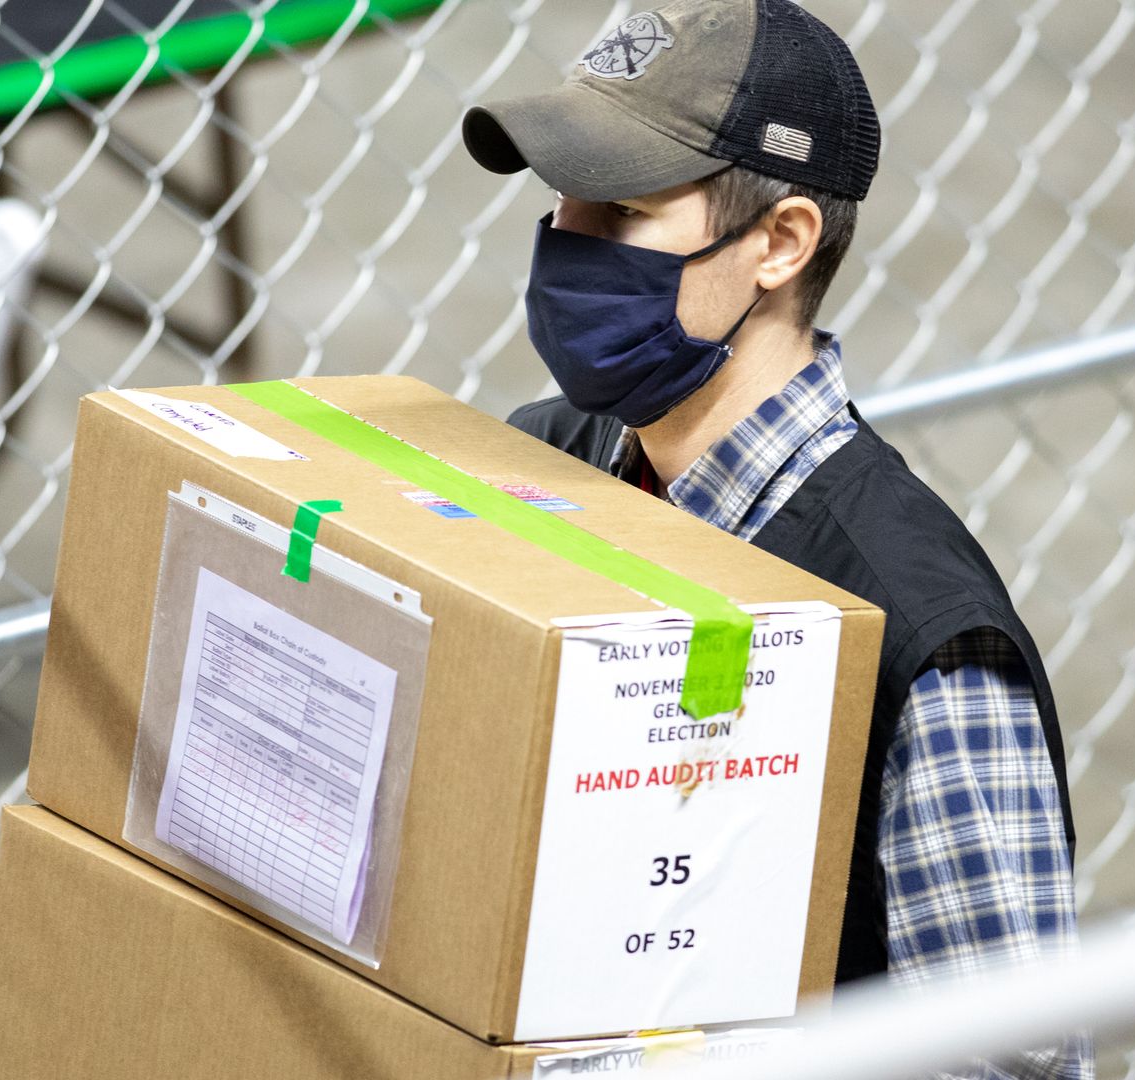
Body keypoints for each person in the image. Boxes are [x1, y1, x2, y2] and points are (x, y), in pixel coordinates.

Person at [462, 3, 1089, 1077]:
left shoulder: (922, 637)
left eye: (618, 211)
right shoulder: (548, 467)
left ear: (780, 243)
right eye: (561, 202)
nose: (568, 244)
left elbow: (1005, 1065)